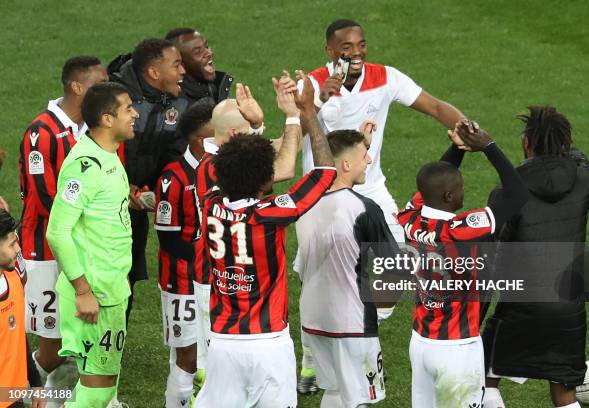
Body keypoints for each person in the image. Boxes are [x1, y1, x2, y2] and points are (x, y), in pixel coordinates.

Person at [297, 18, 467, 389]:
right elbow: (296, 133)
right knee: (316, 280)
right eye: (346, 47)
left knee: (399, 264)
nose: (355, 53)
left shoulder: (385, 77)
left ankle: (360, 332)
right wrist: (322, 98)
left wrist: (467, 130)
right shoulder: (309, 85)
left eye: (360, 45)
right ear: (329, 51)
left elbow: (435, 106)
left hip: (371, 187)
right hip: (322, 193)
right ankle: (311, 360)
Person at [193, 71, 336, 408]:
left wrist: (256, 130)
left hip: (224, 341)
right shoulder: (272, 214)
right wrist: (307, 114)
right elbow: (326, 171)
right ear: (262, 178)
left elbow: (237, 162)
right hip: (268, 343)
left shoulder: (210, 202)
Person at [395, 120, 529, 407]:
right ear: (449, 196)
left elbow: (431, 183)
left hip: (420, 343)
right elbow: (518, 193)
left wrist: (457, 148)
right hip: (457, 348)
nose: (463, 192)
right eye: (460, 188)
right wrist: (488, 146)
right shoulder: (461, 230)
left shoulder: (409, 218)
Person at [481, 106, 589, 408]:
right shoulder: (583, 181)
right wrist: (568, 149)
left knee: (483, 376)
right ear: (565, 142)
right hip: (568, 310)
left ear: (527, 142)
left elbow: (493, 252)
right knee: (564, 393)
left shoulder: (507, 191)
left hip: (521, 305)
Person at [18, 56, 107, 405]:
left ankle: (54, 400)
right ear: (78, 87)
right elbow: (45, 198)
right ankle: (23, 393)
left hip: (78, 248)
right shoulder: (42, 132)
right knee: (52, 345)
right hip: (46, 251)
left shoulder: (90, 130)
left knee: (75, 338)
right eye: (101, 83)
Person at [46, 82, 138, 408]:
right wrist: (83, 291)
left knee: (104, 386)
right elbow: (57, 232)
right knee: (97, 391)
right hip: (93, 295)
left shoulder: (108, 157)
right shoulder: (86, 165)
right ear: (106, 118)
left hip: (109, 289)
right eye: (128, 108)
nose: (135, 114)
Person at [296, 129, 401, 407]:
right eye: (363, 155)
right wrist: (376, 315)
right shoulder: (364, 208)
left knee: (334, 391)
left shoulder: (304, 206)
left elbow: (300, 270)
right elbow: (396, 270)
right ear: (345, 165)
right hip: (352, 322)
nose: (368, 160)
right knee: (359, 400)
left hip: (312, 318)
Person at [110, 38, 187, 322]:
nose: (183, 71)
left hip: (136, 207)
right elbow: (97, 148)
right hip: (104, 207)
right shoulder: (115, 99)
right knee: (104, 278)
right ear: (154, 73)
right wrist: (121, 186)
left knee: (126, 280)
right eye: (176, 65)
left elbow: (173, 152)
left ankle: (112, 347)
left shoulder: (175, 99)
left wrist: (156, 189)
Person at [154, 102, 214, 408]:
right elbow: (169, 239)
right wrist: (208, 258)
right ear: (201, 139)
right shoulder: (173, 177)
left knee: (214, 350)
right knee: (187, 356)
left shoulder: (220, 170)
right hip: (182, 282)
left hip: (213, 278)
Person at [0, 209, 45, 408]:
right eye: (12, 244)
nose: (18, 249)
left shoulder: (14, 279)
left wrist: (35, 383)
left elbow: (18, 336)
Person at [165, 27, 233, 106]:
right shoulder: (178, 103)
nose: (209, 53)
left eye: (206, 46)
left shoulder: (217, 86)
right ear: (180, 63)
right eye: (197, 52)